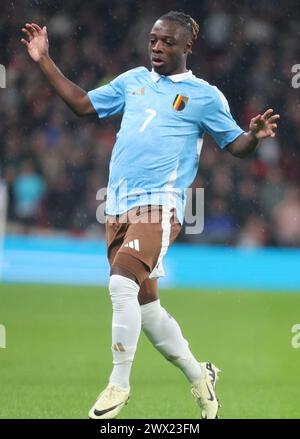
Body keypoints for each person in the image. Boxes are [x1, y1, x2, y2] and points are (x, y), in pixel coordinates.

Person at [21, 11, 279, 419]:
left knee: (121, 281)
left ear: (187, 47)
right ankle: (200, 376)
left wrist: (254, 136)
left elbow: (234, 145)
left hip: (161, 206)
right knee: (146, 308)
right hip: (117, 206)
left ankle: (118, 384)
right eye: (154, 40)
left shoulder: (204, 96)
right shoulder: (132, 81)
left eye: (168, 42)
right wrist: (43, 59)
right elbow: (83, 105)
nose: (158, 48)